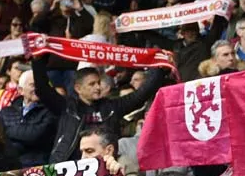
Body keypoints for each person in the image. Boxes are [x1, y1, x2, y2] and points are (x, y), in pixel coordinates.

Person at [32, 60, 167, 164]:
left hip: (104, 168)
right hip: (68, 167)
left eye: (98, 82)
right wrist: (38, 59)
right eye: (92, 84)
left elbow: (140, 95)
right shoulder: (65, 106)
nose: (98, 87)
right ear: (78, 88)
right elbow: (43, 88)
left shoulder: (111, 106)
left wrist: (159, 67)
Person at [0, 69, 57, 167]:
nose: (38, 88)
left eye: (40, 84)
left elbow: (35, 135)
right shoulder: (6, 112)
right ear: (20, 90)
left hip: (37, 166)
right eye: (33, 85)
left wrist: (7, 130)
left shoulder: (51, 110)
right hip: (7, 166)